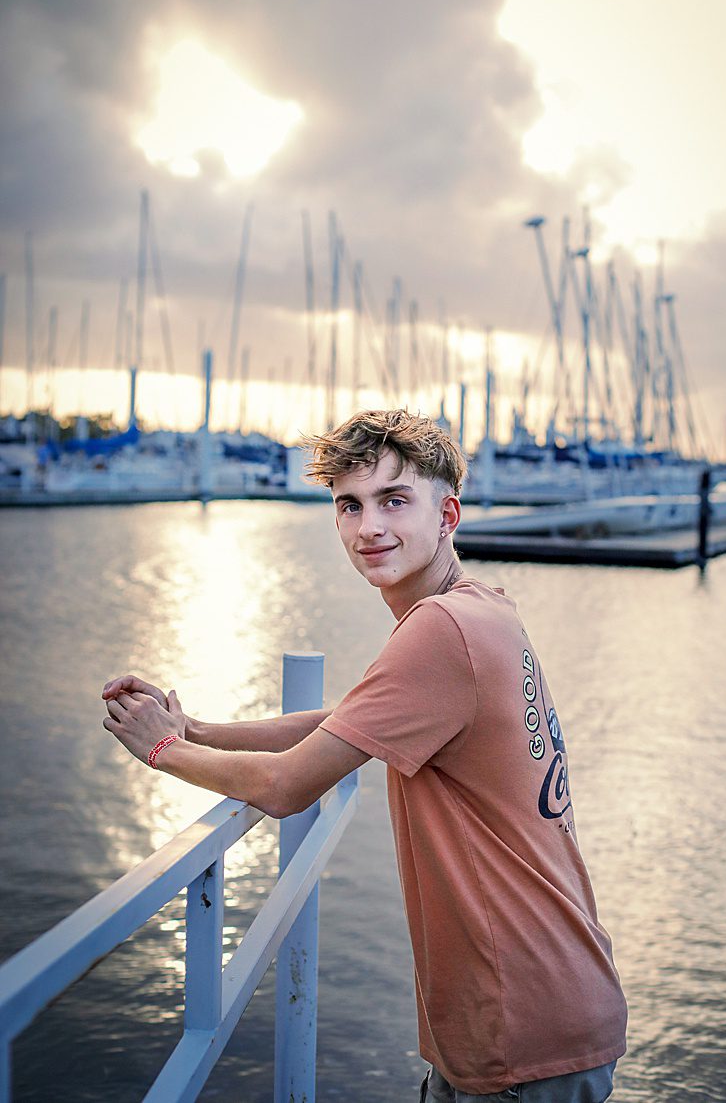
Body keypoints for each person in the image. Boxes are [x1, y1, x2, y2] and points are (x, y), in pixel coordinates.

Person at [100, 409, 626, 1102]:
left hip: (520, 1025)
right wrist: (196, 728)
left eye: (394, 500)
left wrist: (162, 749)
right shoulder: (482, 608)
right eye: (350, 504)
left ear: (448, 515)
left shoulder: (442, 628)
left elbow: (288, 785)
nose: (368, 525)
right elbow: (342, 723)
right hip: (545, 1005)